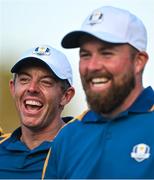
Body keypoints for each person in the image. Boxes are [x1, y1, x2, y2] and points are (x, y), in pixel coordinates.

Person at [44, 6, 154, 179]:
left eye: (106, 53)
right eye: (85, 55)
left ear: (139, 61)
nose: (92, 66)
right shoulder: (67, 137)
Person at [0, 44, 75, 179]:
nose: (32, 88)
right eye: (24, 80)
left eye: (45, 82)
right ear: (12, 88)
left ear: (66, 96)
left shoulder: (84, 151)